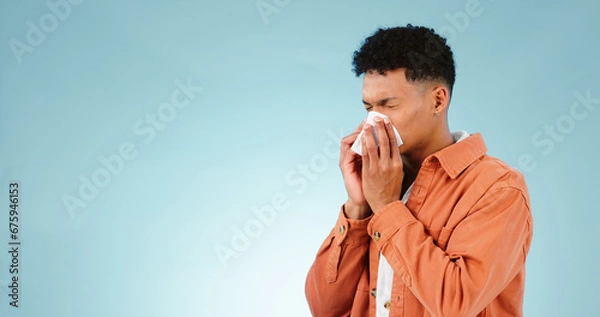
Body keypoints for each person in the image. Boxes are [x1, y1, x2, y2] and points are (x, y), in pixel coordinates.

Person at [304, 24, 534, 317]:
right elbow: (324, 309)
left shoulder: (498, 188)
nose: (374, 122)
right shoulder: (376, 182)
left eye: (388, 105)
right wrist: (358, 207)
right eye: (368, 108)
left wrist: (386, 207)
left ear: (438, 100)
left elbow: (456, 303)